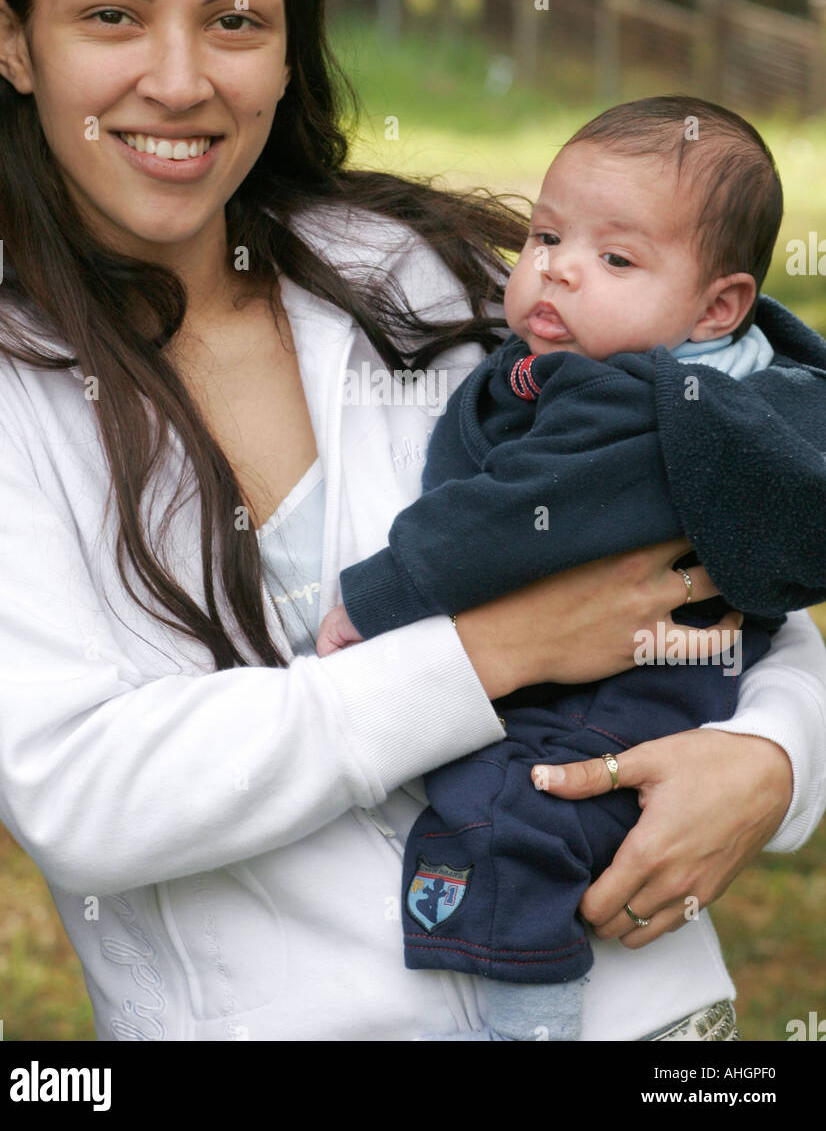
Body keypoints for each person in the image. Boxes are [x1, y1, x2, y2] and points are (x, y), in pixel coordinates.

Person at [0, 0, 824, 1043]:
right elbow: (85, 790)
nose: (180, 79)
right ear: (11, 38)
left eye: (235, 21)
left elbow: (722, 541)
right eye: (111, 16)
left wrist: (777, 760)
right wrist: (491, 651)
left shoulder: (421, 274)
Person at [316, 96, 826, 1040]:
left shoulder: (629, 402)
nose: (557, 268)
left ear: (719, 306)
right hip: (659, 666)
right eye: (547, 234)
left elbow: (513, 519)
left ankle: (531, 1010)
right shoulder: (694, 373)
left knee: (512, 807)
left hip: (631, 690)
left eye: (617, 259)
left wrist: (380, 593)